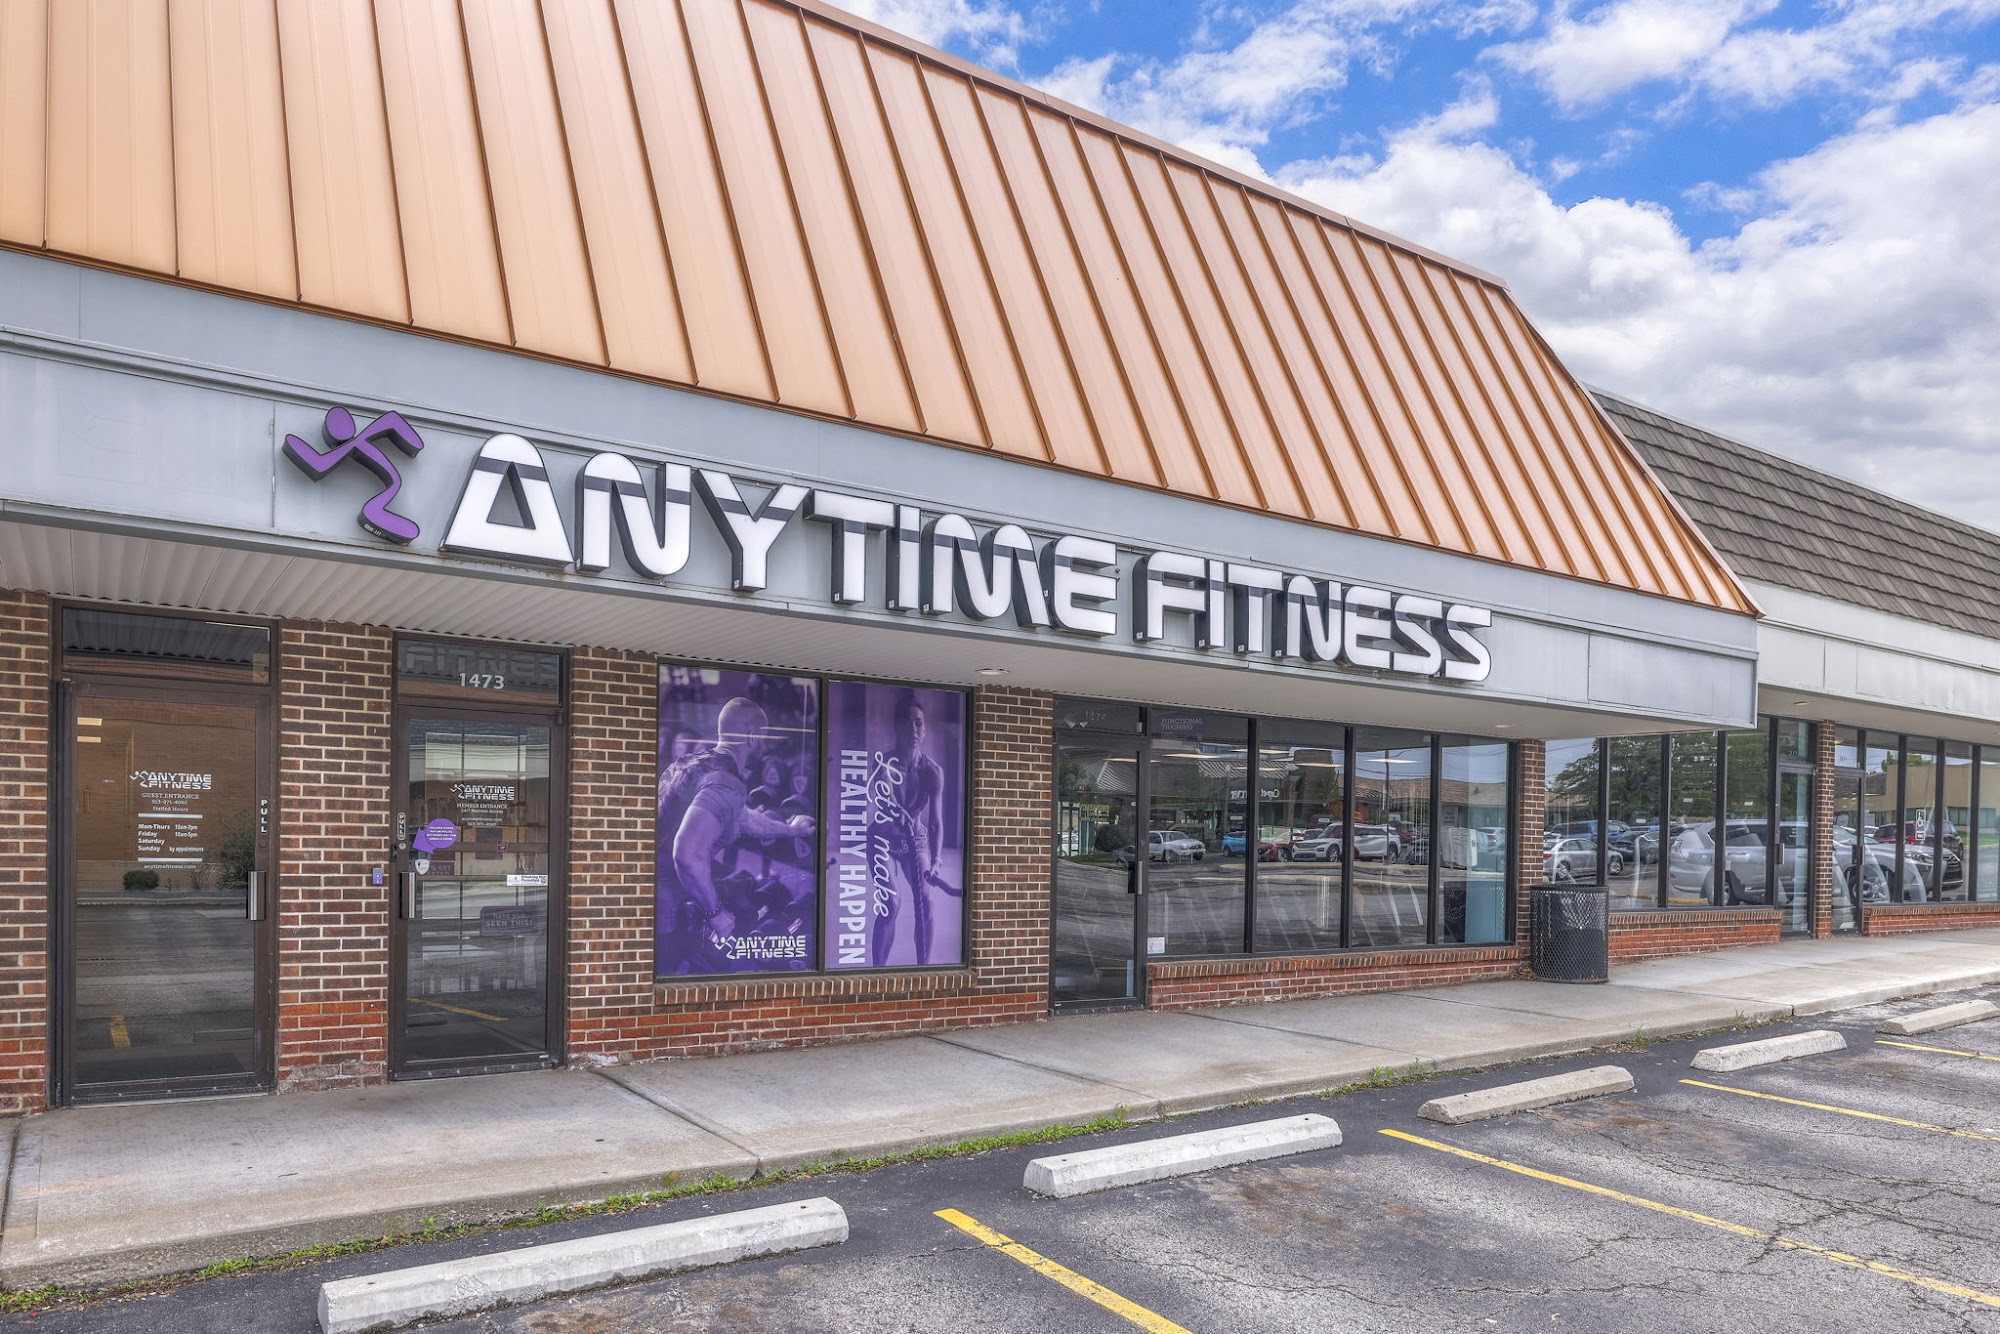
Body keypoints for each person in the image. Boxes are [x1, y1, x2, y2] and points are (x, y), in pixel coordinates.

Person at [658, 696, 814, 973]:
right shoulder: (726, 783)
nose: (765, 744)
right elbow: (687, 854)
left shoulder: (691, 765)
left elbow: (745, 819)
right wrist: (715, 913)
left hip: (660, 900)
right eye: (764, 736)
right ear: (753, 736)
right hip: (666, 915)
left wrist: (791, 829)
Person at [871, 691, 954, 966]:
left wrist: (937, 861)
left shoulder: (933, 772)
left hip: (915, 839)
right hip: (884, 838)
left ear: (925, 728)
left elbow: (936, 822)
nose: (913, 729)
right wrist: (898, 812)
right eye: (907, 723)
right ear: (896, 726)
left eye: (918, 723)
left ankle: (923, 973)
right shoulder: (883, 763)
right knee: (891, 904)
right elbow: (885, 799)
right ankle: (877, 974)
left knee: (926, 902)